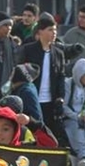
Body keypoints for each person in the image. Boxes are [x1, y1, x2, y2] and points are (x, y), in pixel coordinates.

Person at [21, 14, 70, 148]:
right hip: (33, 99)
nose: (53, 33)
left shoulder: (58, 53)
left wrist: (60, 97)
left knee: (50, 136)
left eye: (55, 30)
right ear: (40, 31)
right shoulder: (28, 50)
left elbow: (61, 76)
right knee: (33, 134)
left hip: (50, 101)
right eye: (50, 30)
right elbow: (21, 74)